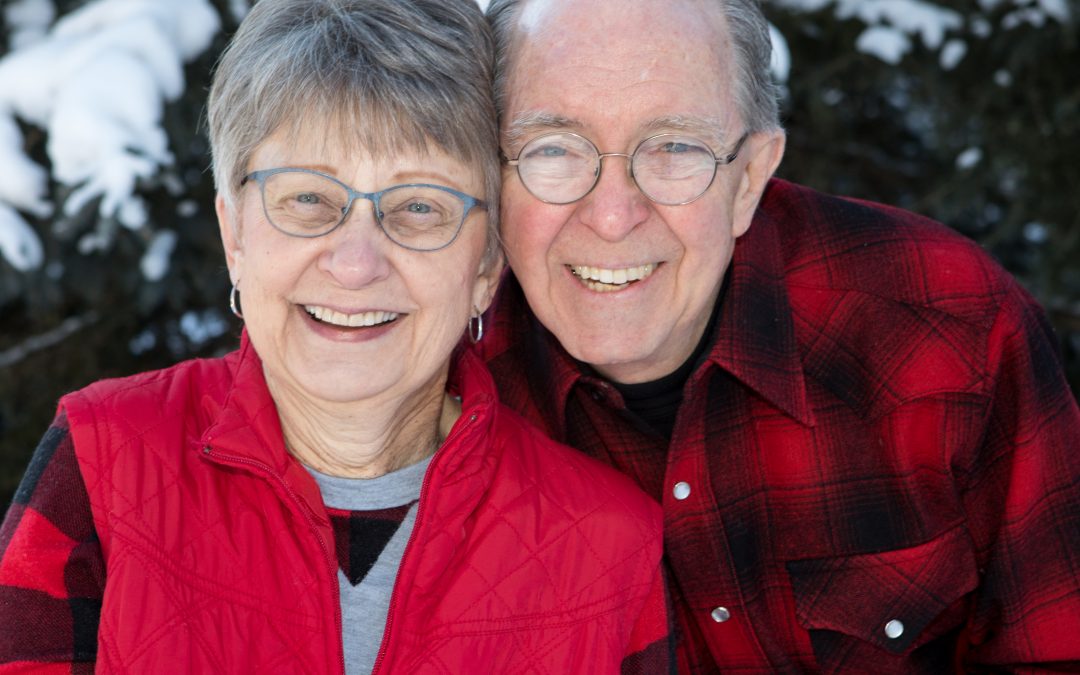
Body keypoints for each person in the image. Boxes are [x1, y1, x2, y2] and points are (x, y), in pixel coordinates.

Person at [0, 0, 673, 672]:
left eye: (418, 207)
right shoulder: (101, 461)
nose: (356, 263)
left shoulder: (611, 547)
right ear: (235, 234)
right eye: (308, 199)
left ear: (487, 265)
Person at [477, 0, 1080, 672]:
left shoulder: (949, 328)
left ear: (749, 177)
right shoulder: (434, 393)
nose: (613, 215)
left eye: (675, 147)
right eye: (552, 148)